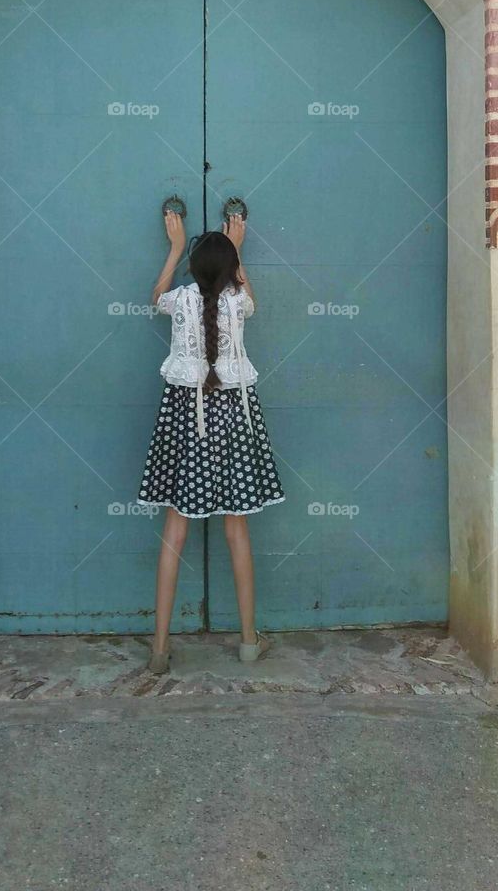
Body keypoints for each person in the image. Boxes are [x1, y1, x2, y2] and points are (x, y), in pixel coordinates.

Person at [137, 206, 285, 675]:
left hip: (187, 421)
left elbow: (155, 295)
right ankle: (247, 641)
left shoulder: (179, 301)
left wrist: (176, 248)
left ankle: (159, 649)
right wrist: (235, 250)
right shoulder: (237, 302)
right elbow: (248, 298)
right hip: (233, 422)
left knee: (174, 529)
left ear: (193, 270)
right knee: (236, 528)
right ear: (230, 272)